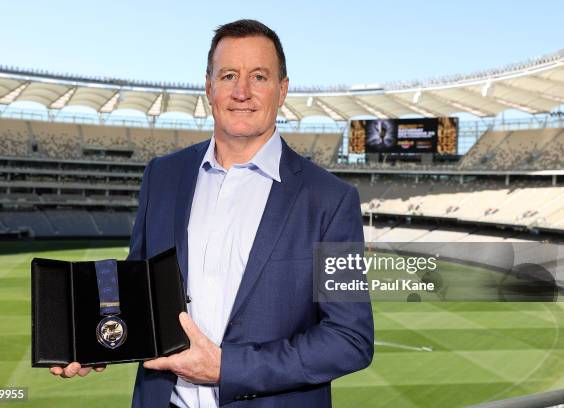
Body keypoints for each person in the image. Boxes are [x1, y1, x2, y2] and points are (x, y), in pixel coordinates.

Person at [50, 19, 374, 408]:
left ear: (282, 89)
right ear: (208, 88)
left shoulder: (332, 199)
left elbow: (350, 338)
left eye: (259, 76)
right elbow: (139, 288)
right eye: (228, 75)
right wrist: (91, 339)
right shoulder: (162, 175)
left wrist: (227, 367)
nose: (242, 92)